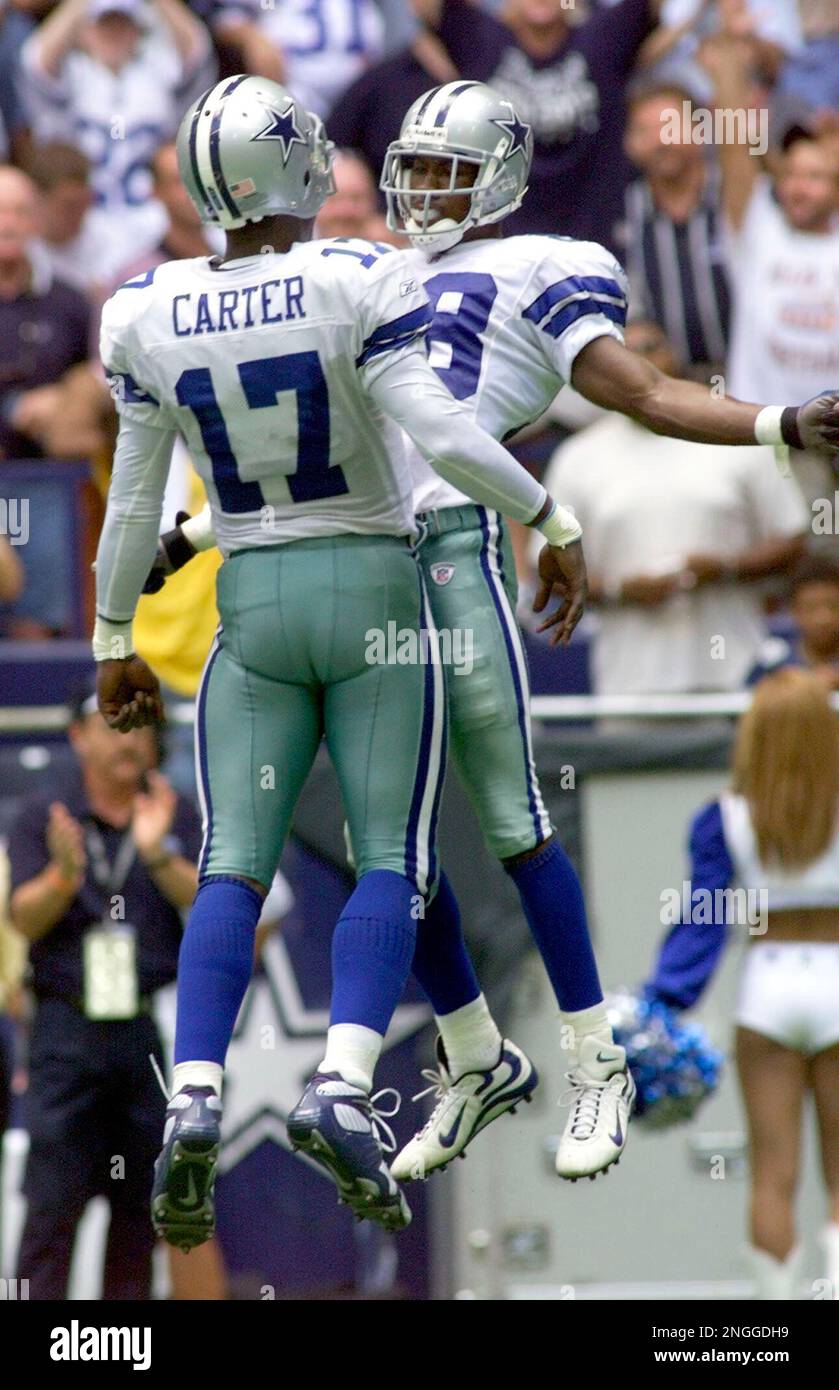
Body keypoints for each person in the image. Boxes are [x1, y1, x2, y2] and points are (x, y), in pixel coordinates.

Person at [161, 81, 839, 1187]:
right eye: (413, 168)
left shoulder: (540, 266)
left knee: (511, 820)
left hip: (457, 545)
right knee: (395, 839)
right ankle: (475, 1053)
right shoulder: (363, 272)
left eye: (445, 170)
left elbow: (647, 393)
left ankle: (590, 1056)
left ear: (502, 178)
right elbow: (309, 448)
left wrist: (772, 422)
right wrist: (190, 535)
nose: (421, 189)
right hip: (354, 560)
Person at [91, 74, 585, 1243]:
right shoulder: (354, 275)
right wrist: (549, 518)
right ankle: (343, 1083)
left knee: (230, 864)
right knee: (391, 856)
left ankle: (194, 1096)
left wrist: (114, 638)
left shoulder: (144, 307)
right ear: (289, 170)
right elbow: (447, 434)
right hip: (371, 592)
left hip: (249, 604)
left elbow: (128, 508)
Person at [644, 669, 839, 1300]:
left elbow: (701, 925)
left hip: (767, 994)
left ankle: (773, 1326)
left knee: (771, 1177)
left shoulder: (724, 818)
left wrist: (660, 1001)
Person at [7, 686, 201, 1299]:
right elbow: (23, 918)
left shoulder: (175, 814)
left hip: (140, 1030)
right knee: (51, 1208)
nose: (129, 738)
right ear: (78, 736)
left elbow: (214, 910)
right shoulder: (45, 816)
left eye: (141, 724)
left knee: (140, 1211)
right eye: (112, 723)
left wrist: (157, 852)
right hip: (66, 1030)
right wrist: (64, 876)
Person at [541, 319, 808, 696]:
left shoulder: (736, 435)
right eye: (625, 353)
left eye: (652, 347)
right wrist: (620, 589)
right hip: (630, 686)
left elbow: (792, 540)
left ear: (674, 354)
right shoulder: (576, 457)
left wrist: (724, 568)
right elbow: (551, 572)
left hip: (736, 677)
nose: (642, 361)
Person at [19, 0, 215, 256]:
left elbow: (197, 52)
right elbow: (34, 61)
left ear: (138, 31)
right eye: (104, 26)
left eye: (123, 25)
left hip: (153, 217)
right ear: (84, 31)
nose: (114, 34)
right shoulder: (71, 74)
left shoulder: (158, 73)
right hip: (86, 222)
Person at [620, 82, 731, 380]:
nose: (660, 141)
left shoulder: (734, 198)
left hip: (749, 381)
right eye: (644, 131)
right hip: (668, 390)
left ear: (700, 129)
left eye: (669, 126)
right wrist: (640, 339)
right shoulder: (625, 212)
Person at [747, 556, 839, 687]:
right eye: (811, 608)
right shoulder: (774, 659)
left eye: (833, 606)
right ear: (794, 611)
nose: (823, 618)